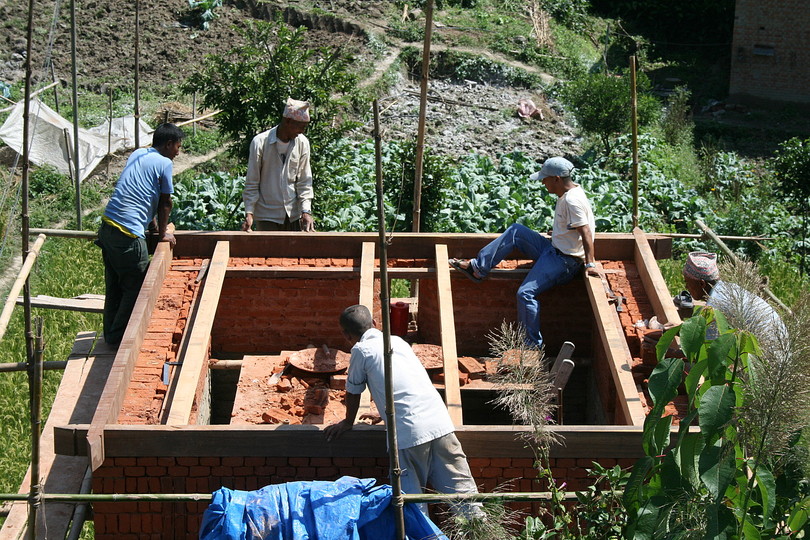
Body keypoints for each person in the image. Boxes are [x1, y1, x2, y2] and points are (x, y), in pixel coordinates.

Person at [325, 305, 483, 518]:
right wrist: (384, 411)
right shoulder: (397, 342)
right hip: (440, 423)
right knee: (465, 499)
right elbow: (407, 381)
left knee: (413, 507)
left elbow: (353, 391)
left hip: (409, 435)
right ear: (374, 324)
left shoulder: (361, 350)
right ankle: (482, 531)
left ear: (346, 335)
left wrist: (347, 422)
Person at [449, 156, 598, 348]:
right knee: (516, 232)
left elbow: (585, 232)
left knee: (525, 293)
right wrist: (560, 232)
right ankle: (478, 268)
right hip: (555, 249)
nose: (543, 183)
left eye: (545, 179)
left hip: (565, 262)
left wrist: (590, 264)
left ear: (556, 179)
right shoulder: (570, 192)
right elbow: (575, 228)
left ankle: (531, 345)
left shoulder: (572, 201)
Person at [96, 123, 184, 346]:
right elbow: (165, 202)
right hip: (128, 235)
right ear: (169, 144)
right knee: (137, 287)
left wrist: (153, 228)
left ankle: (111, 336)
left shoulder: (138, 153)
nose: (178, 152)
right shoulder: (165, 163)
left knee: (115, 284)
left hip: (107, 227)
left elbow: (145, 194)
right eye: (178, 147)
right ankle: (120, 339)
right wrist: (163, 233)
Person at [682, 251, 787, 349]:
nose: (686, 287)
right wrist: (681, 330)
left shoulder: (716, 306)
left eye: (687, 282)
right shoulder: (727, 289)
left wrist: (673, 354)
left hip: (768, 358)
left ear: (702, 284)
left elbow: (710, 350)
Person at [242, 97, 315, 232]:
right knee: (268, 252)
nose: (302, 131)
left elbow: (305, 181)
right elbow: (252, 181)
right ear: (288, 121)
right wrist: (249, 213)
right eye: (300, 127)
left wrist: (306, 211)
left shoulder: (302, 143)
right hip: (267, 215)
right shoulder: (260, 142)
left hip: (293, 214)